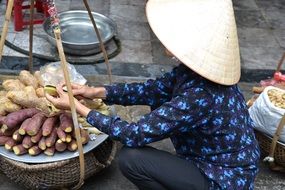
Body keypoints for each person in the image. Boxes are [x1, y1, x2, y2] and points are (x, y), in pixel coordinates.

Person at [46, 0, 260, 189]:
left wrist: (80, 108)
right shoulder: (193, 71)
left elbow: (134, 134)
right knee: (156, 101)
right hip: (219, 159)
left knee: (132, 159)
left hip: (223, 178)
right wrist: (95, 92)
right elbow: (152, 90)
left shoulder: (200, 96)